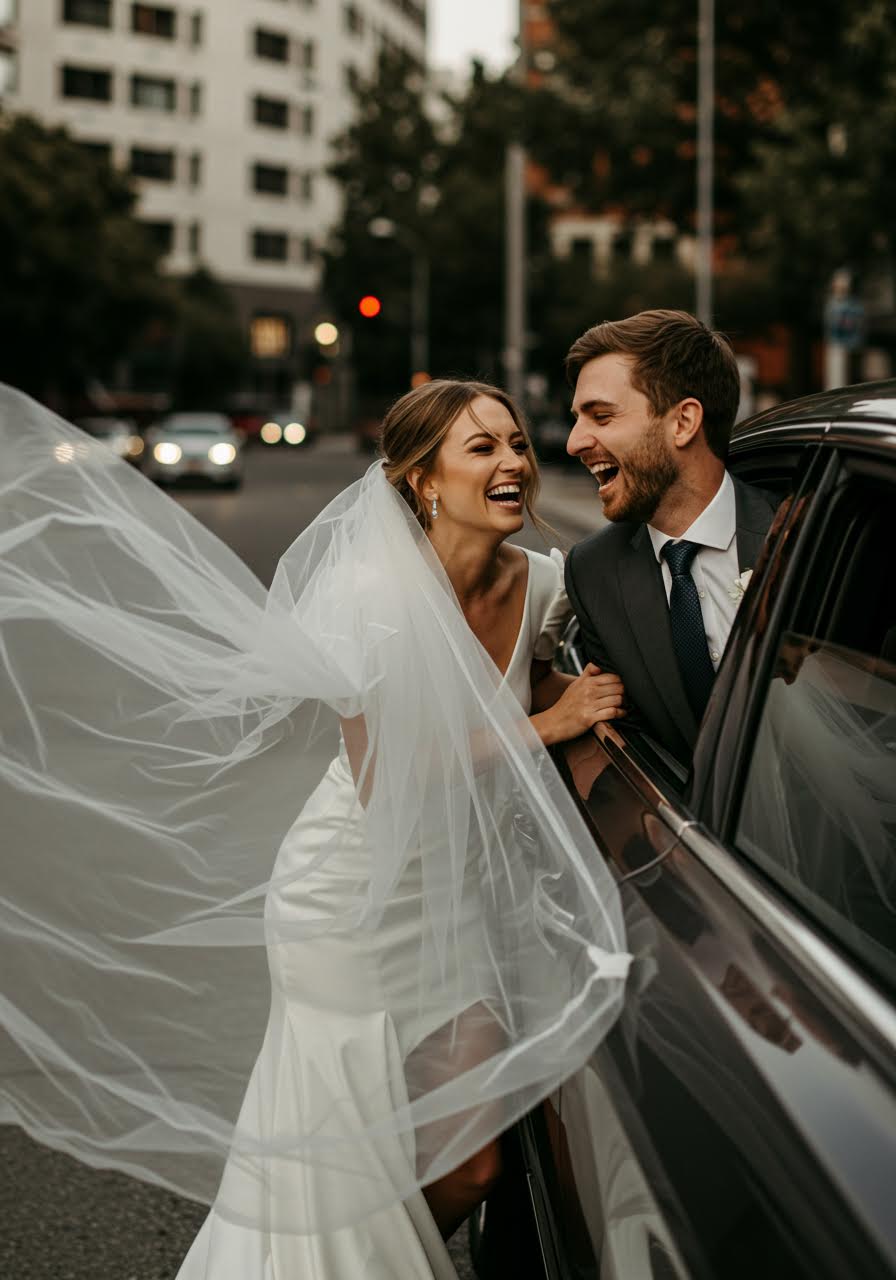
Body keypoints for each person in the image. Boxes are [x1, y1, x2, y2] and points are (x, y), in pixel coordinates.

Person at [0, 379, 630, 1280]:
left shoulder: (545, 585)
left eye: (518, 444)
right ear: (422, 481)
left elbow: (543, 692)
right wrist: (546, 723)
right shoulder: (370, 593)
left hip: (459, 902)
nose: (513, 465)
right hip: (348, 905)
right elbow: (389, 773)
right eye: (481, 449)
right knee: (342, 1166)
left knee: (475, 1158)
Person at [563, 310, 776, 762]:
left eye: (600, 416)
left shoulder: (795, 534)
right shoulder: (592, 572)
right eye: (578, 418)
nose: (574, 442)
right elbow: (633, 744)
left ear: (683, 422)